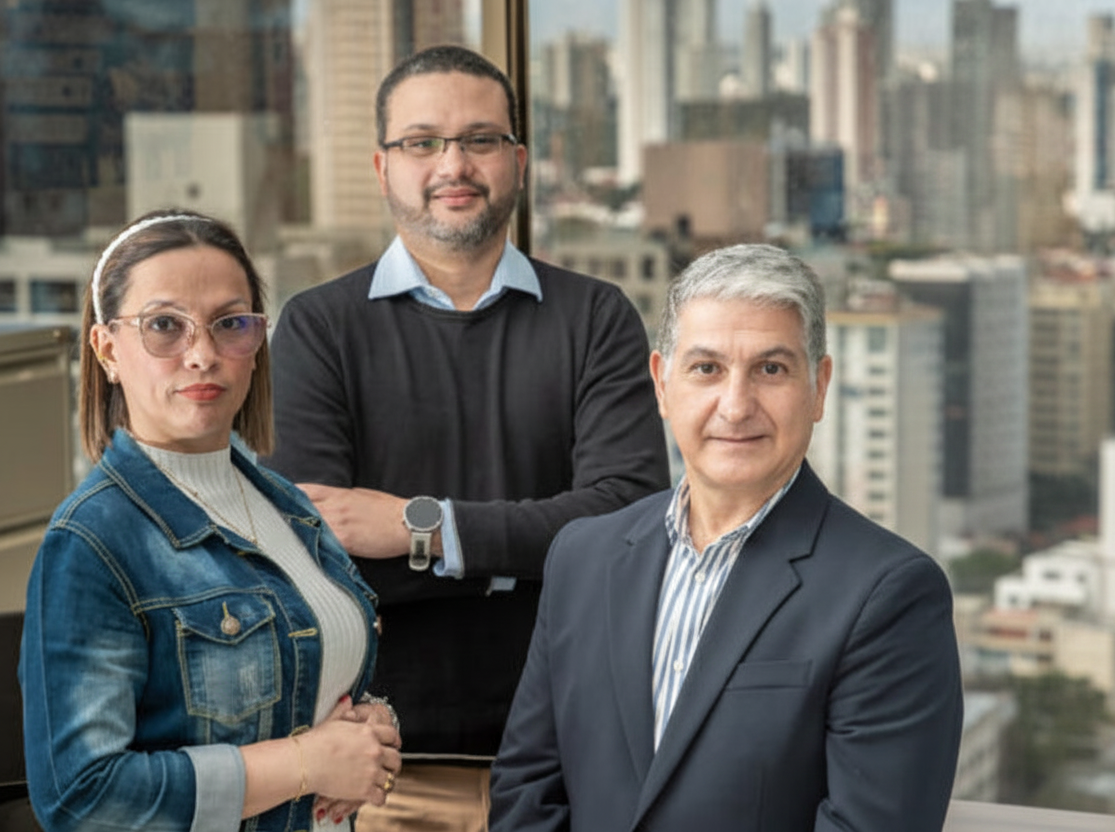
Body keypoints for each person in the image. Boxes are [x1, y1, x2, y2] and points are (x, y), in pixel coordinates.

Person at [263, 44, 670, 831]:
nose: (453, 164)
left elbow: (626, 520)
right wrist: (523, 559)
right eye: (422, 142)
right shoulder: (318, 328)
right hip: (383, 766)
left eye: (480, 139)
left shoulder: (595, 318)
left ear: (517, 161)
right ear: (383, 167)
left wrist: (418, 528)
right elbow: (317, 550)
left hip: (573, 756)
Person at [489, 243, 964, 832]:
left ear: (819, 387)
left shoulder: (890, 594)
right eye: (707, 369)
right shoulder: (582, 557)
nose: (736, 407)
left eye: (771, 369)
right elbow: (526, 792)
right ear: (662, 384)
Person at [19, 210, 403, 832]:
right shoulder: (92, 541)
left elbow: (299, 677)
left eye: (230, 324)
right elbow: (81, 798)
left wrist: (368, 727)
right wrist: (306, 763)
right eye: (164, 326)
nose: (202, 355)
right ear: (107, 348)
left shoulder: (287, 504)